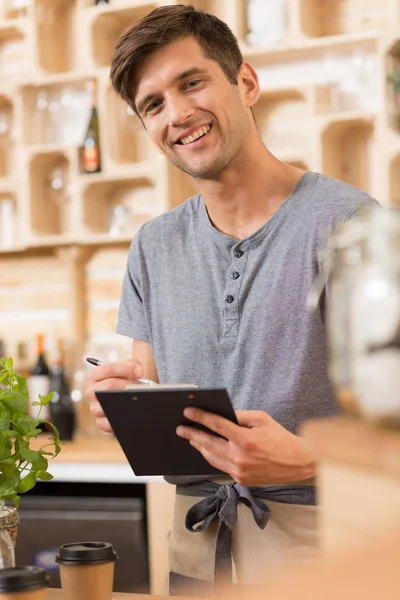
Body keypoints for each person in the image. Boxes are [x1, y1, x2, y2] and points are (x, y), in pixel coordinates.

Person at [85, 4, 378, 596]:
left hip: (324, 550)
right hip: (196, 549)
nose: (179, 114)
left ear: (245, 83)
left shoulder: (351, 225)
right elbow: (158, 390)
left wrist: (305, 461)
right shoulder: (153, 246)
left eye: (191, 83)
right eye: (154, 104)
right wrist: (122, 405)